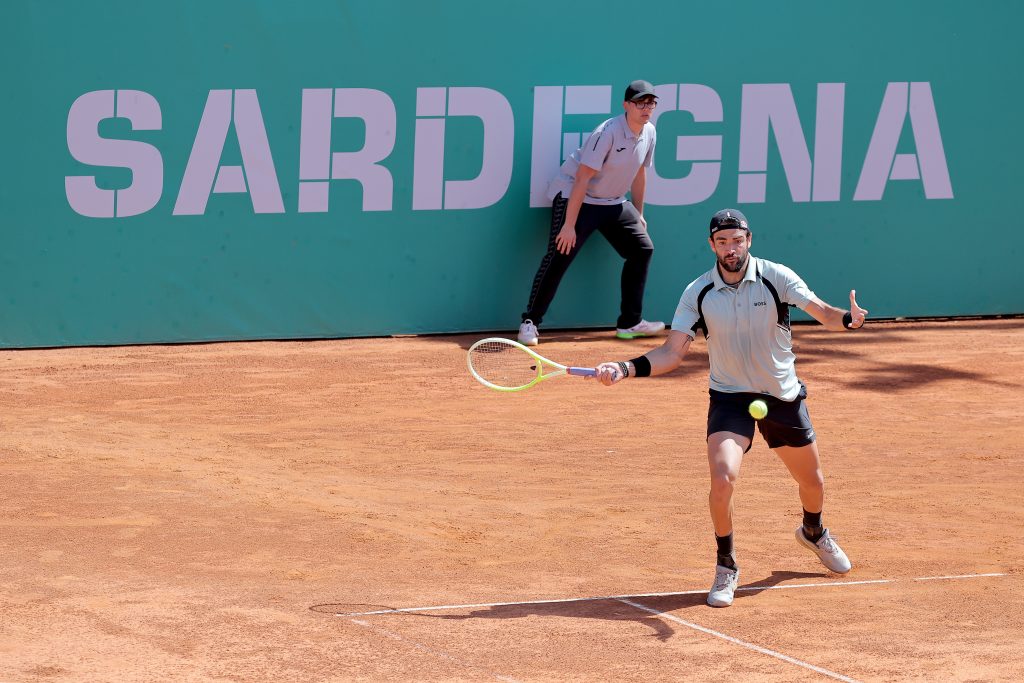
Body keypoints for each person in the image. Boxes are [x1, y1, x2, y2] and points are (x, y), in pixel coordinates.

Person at [592, 208, 868, 608]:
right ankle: (726, 566)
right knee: (722, 478)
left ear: (749, 240)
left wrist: (848, 320)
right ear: (712, 245)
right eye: (722, 242)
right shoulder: (698, 292)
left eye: (737, 240)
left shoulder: (777, 277)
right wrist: (625, 368)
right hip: (730, 397)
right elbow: (672, 353)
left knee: (813, 483)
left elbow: (821, 311)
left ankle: (813, 532)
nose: (730, 248)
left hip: (781, 396)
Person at [518, 79, 666, 347]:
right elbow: (582, 178)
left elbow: (640, 173)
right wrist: (568, 225)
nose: (646, 108)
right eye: (640, 102)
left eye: (651, 103)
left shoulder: (650, 132)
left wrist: (639, 212)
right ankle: (530, 322)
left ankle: (629, 322)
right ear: (626, 105)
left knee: (642, 248)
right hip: (577, 196)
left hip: (613, 202)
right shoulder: (606, 132)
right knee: (561, 252)